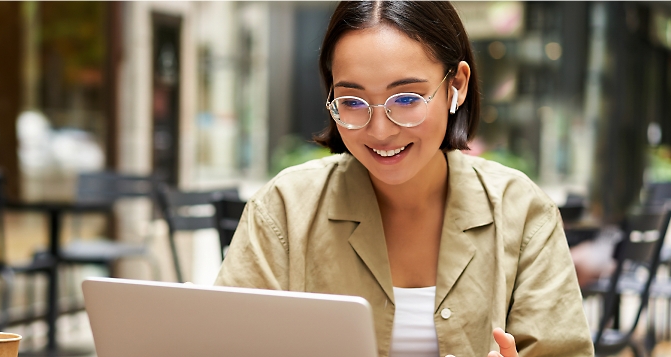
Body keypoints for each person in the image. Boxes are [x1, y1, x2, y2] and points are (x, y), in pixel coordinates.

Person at [215, 2, 593, 357]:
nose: (380, 131)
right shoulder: (283, 211)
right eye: (352, 101)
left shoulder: (523, 213)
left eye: (407, 99)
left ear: (456, 86)